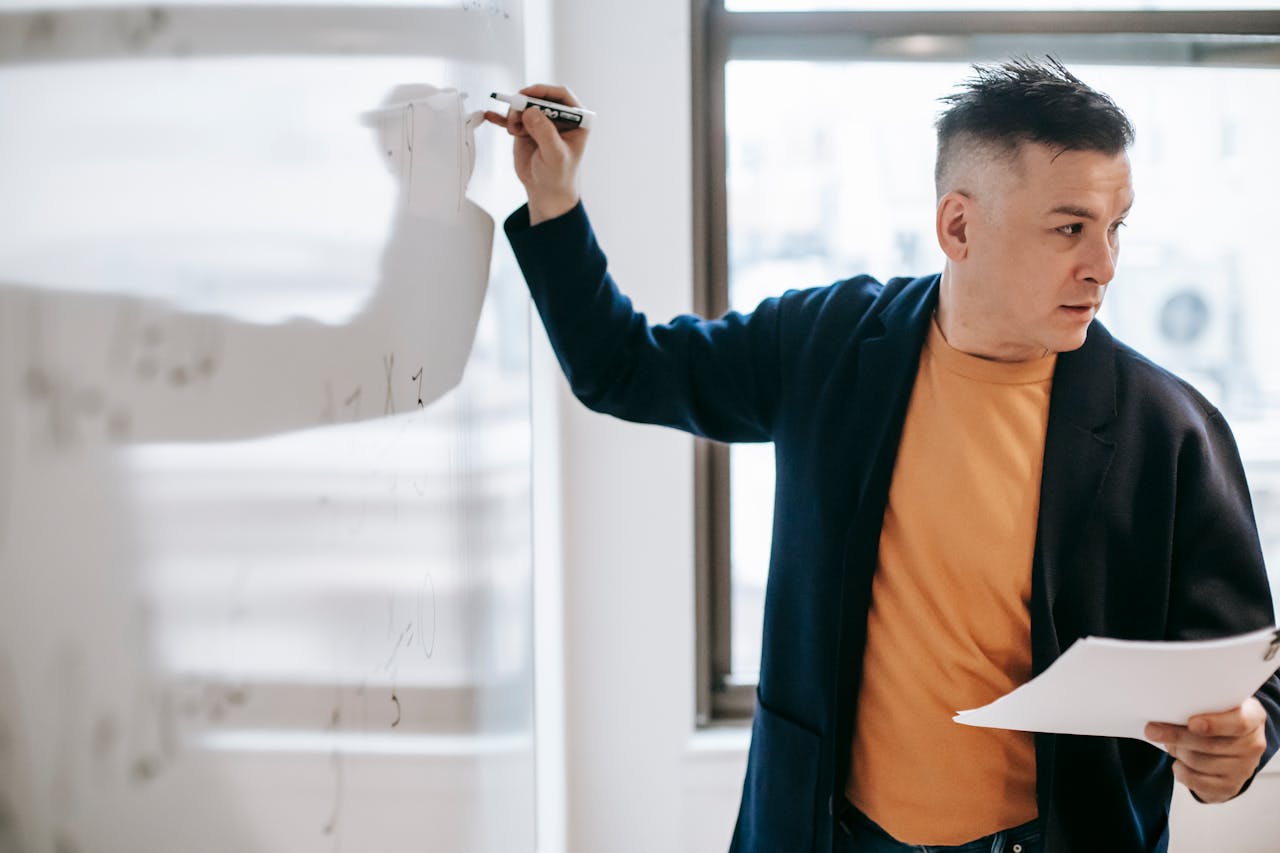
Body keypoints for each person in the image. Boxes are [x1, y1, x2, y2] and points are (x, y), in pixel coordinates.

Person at [484, 58, 1280, 853]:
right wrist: (553, 198)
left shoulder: (1169, 428)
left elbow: (1254, 675)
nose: (1103, 265)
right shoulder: (826, 343)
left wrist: (1246, 737)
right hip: (828, 832)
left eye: (1116, 228)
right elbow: (623, 369)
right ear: (958, 226)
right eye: (1070, 228)